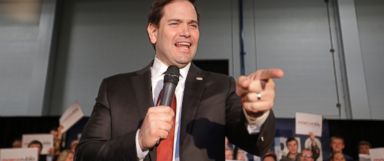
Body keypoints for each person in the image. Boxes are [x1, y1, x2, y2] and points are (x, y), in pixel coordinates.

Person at [74, 0, 284, 161]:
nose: (186, 33)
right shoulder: (115, 89)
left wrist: (256, 116)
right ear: (153, 32)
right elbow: (86, 154)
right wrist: (138, 141)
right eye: (175, 23)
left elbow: (257, 145)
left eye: (193, 25)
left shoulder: (221, 86)